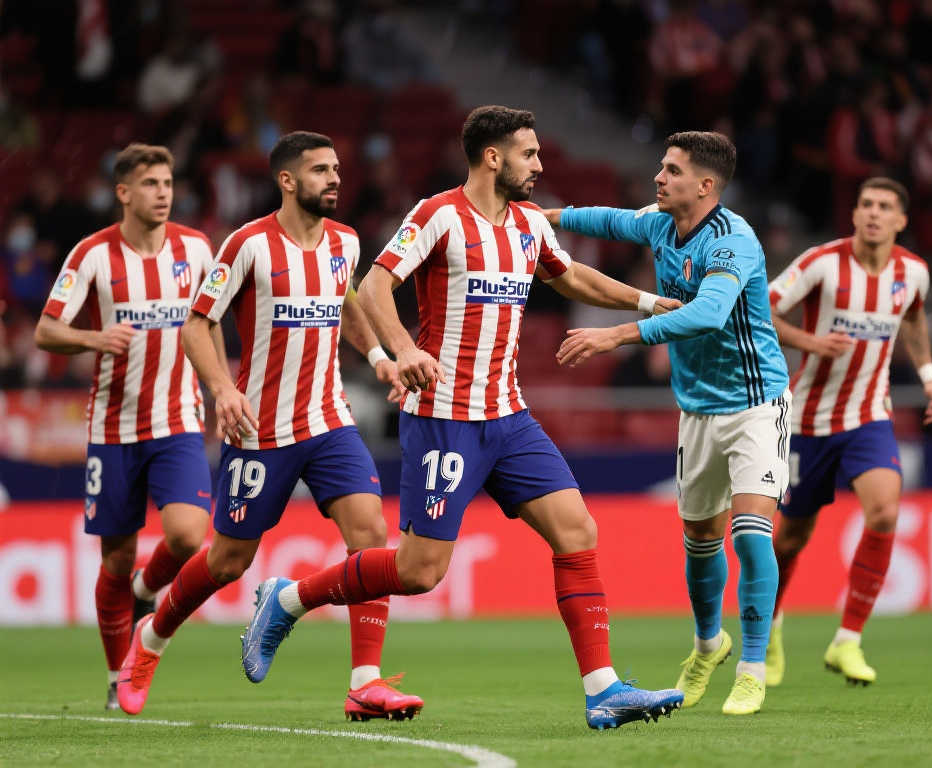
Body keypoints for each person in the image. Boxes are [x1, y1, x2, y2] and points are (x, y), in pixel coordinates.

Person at [241, 105, 685, 731]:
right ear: (493, 158)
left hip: (509, 416)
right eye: (529, 154)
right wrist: (404, 350)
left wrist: (649, 302)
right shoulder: (438, 215)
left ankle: (603, 689)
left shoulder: (528, 222)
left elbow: (571, 278)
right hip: (444, 418)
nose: (539, 165)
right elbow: (375, 286)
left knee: (577, 531)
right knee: (419, 571)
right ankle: (288, 599)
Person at [116, 131, 424, 722]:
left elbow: (345, 302)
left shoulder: (345, 240)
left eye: (336, 169)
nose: (335, 179)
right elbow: (197, 324)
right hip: (260, 429)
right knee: (228, 561)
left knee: (369, 532)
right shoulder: (248, 245)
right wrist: (223, 389)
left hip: (329, 420)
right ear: (287, 180)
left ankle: (364, 682)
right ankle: (151, 639)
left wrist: (379, 356)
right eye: (320, 170)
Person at [544, 130, 792, 716]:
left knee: (750, 533)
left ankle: (752, 669)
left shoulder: (733, 241)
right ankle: (708, 645)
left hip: (756, 404)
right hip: (697, 408)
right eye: (662, 167)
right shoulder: (661, 224)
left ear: (705, 185)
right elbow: (608, 220)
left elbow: (709, 313)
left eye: (672, 170)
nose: (658, 177)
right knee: (701, 540)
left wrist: (618, 334)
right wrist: (542, 215)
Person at [34, 144, 221, 710]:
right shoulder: (92, 254)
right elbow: (46, 330)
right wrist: (94, 337)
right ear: (123, 193)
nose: (163, 193)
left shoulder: (196, 248)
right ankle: (119, 678)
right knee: (115, 559)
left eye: (167, 183)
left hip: (178, 419)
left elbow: (208, 321)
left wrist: (221, 389)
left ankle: (147, 588)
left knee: (188, 535)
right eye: (150, 184)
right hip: (113, 429)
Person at [766, 177, 932, 687]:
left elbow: (914, 321)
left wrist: (931, 379)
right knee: (791, 539)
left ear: (901, 220)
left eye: (884, 206)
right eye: (866, 204)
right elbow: (761, 307)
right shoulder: (821, 262)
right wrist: (810, 341)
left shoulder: (914, 272)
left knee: (886, 511)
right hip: (806, 420)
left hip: (869, 415)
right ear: (854, 214)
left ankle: (847, 640)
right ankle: (770, 631)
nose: (873, 213)